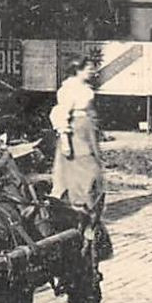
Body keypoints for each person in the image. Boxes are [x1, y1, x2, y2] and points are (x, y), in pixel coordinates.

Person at [50, 56, 105, 214]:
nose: (92, 72)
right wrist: (66, 141)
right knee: (85, 170)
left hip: (87, 131)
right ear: (78, 70)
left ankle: (88, 205)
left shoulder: (84, 87)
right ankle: (79, 205)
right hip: (76, 133)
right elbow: (60, 114)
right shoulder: (68, 89)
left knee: (93, 168)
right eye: (88, 69)